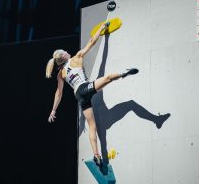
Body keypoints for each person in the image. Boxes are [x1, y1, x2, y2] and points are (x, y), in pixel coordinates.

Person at [45, 21, 139, 169]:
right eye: (65, 51)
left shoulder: (60, 74)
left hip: (80, 97)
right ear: (64, 56)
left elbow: (59, 93)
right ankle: (123, 73)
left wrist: (53, 110)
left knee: (92, 126)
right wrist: (102, 28)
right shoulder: (76, 57)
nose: (67, 51)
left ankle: (96, 155)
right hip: (85, 88)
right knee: (108, 78)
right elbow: (92, 42)